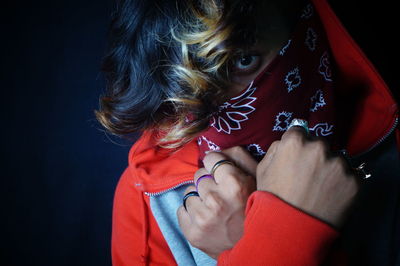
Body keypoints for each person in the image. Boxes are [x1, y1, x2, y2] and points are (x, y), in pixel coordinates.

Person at [95, 0, 400, 265]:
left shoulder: (390, 143)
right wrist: (270, 242)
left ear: (300, 19)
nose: (216, 105)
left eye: (242, 60)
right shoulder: (152, 199)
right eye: (185, 79)